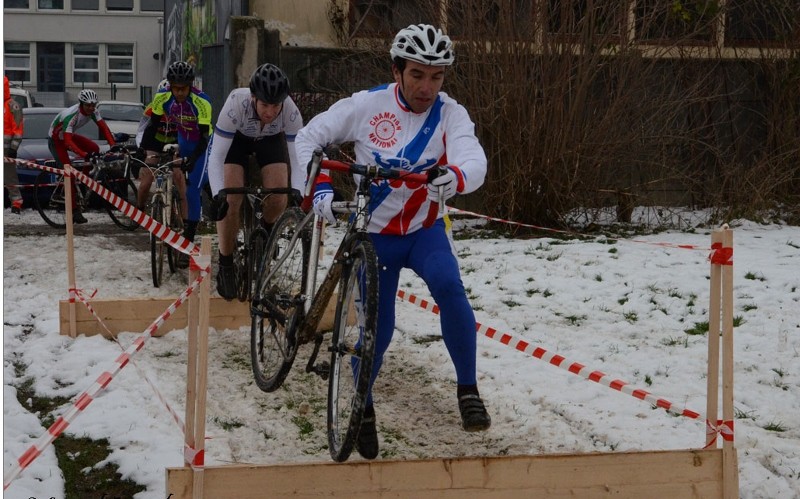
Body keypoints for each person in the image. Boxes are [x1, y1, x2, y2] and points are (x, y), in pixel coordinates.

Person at [294, 24, 490, 459]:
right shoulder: (367, 105)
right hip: (375, 238)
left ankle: (468, 389)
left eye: (436, 77)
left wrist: (455, 175)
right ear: (397, 70)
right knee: (377, 333)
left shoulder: (449, 113)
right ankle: (362, 407)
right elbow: (309, 138)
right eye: (418, 74)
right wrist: (320, 188)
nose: (427, 87)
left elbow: (473, 157)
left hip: (423, 232)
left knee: (450, 287)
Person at [206, 63, 304, 300]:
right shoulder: (235, 104)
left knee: (279, 193)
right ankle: (226, 261)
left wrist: (300, 192)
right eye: (264, 104)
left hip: (269, 140)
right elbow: (217, 155)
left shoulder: (291, 112)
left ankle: (266, 238)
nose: (270, 112)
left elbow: (298, 158)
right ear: (253, 98)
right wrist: (219, 193)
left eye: (275, 105)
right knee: (231, 199)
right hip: (237, 141)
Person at [139, 62, 211, 266]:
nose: (179, 92)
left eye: (183, 88)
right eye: (175, 88)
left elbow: (205, 136)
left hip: (201, 143)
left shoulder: (202, 101)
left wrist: (194, 160)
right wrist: (142, 148)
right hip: (182, 141)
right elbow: (152, 126)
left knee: (192, 189)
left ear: (191, 86)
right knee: (184, 179)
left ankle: (187, 244)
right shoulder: (162, 97)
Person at [48, 88, 117, 224]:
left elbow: (104, 128)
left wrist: (112, 144)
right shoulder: (72, 116)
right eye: (88, 105)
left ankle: (84, 181)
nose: (91, 108)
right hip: (56, 140)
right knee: (70, 174)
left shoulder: (94, 111)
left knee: (94, 148)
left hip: (68, 136)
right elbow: (67, 142)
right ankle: (74, 211)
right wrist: (84, 154)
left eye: (93, 105)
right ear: (81, 104)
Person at [4, 76, 24, 214]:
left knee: (10, 177)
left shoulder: (13, 106)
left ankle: (16, 203)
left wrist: (13, 148)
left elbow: (18, 130)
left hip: (7, 150)